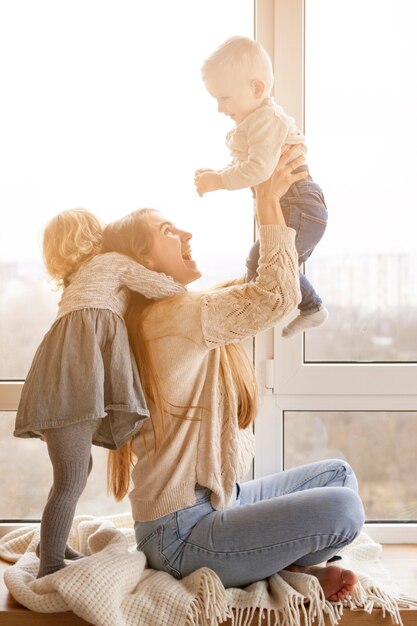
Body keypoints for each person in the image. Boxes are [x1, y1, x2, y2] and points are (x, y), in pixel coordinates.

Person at [104, 147, 365, 601]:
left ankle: (283, 563)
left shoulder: (171, 312)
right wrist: (266, 204)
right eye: (168, 231)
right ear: (143, 261)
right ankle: (290, 568)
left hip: (213, 504)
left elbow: (247, 295)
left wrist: (272, 195)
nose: (185, 232)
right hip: (181, 534)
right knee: (343, 509)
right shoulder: (173, 315)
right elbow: (275, 298)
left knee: (338, 476)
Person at [14, 208, 184, 578]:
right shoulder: (112, 262)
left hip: (59, 387)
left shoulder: (76, 282)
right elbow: (164, 288)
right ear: (94, 234)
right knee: (71, 480)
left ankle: (49, 545)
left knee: (74, 472)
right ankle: (51, 565)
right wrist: (185, 291)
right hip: (74, 389)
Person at [194, 36, 328, 338]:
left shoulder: (265, 119)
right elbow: (250, 164)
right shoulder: (257, 121)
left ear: (256, 88)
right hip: (295, 204)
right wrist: (219, 172)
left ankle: (308, 307)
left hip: (300, 205)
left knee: (266, 261)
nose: (219, 109)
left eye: (224, 98)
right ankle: (309, 307)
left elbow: (258, 169)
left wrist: (218, 181)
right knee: (269, 262)